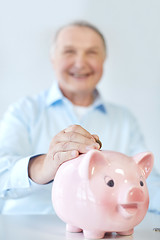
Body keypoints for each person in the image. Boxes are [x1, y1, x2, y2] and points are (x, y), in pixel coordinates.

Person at [0, 21, 159, 214]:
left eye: (91, 52)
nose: (80, 63)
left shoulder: (124, 119)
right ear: (53, 58)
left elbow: (148, 182)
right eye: (69, 51)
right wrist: (44, 166)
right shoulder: (24, 111)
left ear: (104, 60)